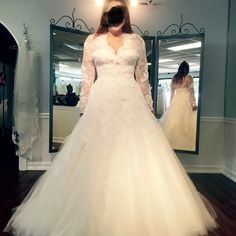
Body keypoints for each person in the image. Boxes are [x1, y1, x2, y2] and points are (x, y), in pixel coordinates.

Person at [4, 1, 217, 235]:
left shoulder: (136, 41)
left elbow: (143, 79)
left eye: (121, 10)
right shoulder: (91, 41)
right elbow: (87, 78)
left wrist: (149, 108)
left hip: (131, 101)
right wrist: (84, 109)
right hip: (101, 101)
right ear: (105, 14)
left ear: (126, 13)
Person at [159, 61, 197, 151]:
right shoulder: (189, 77)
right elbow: (191, 91)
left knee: (174, 123)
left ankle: (173, 142)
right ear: (187, 69)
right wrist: (193, 103)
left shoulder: (174, 78)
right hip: (185, 100)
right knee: (185, 122)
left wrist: (171, 105)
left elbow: (172, 94)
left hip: (176, 100)